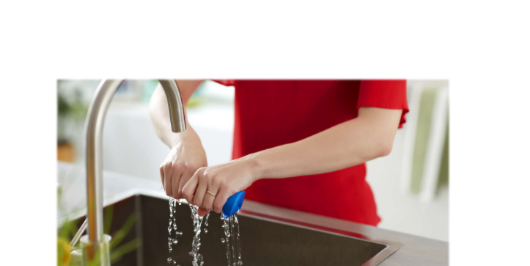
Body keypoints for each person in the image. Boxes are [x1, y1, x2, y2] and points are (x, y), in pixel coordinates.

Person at [149, 80, 409, 226]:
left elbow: (377, 133)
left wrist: (252, 166)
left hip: (338, 228)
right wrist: (183, 140)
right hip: (248, 219)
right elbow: (167, 92)